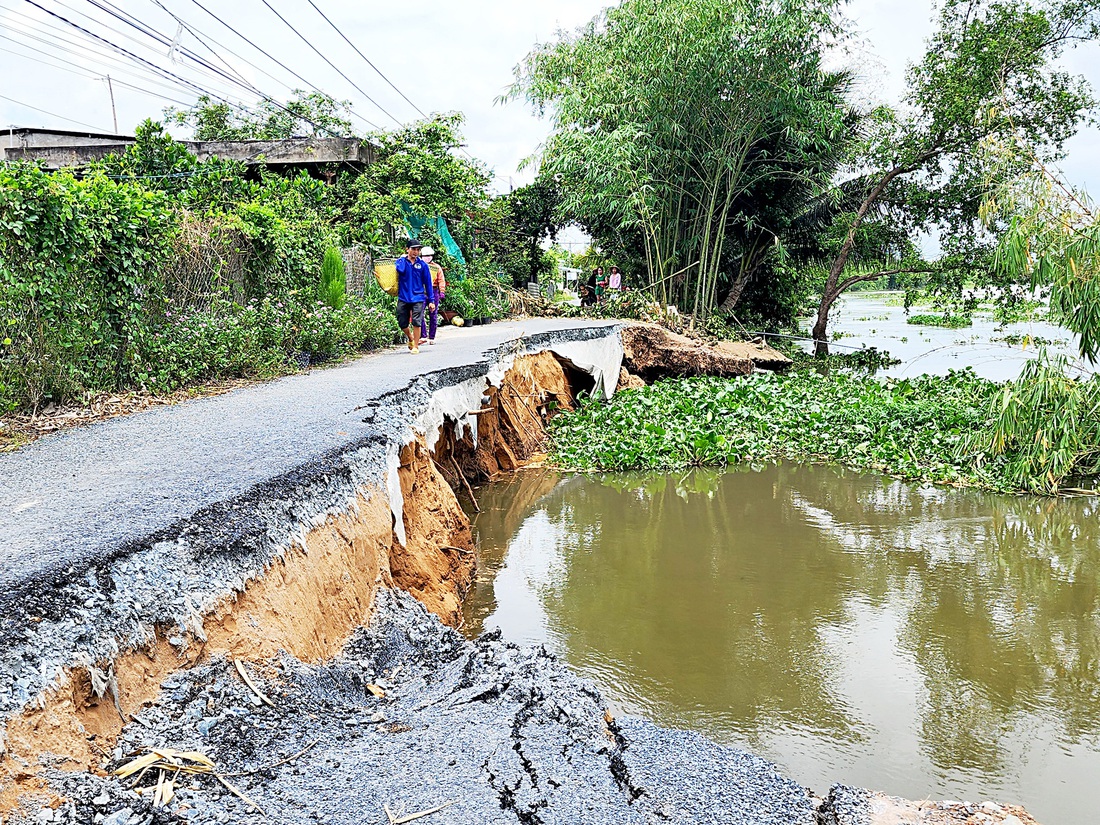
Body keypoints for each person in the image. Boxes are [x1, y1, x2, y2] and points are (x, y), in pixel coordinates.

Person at [394, 239, 435, 354]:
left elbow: (428, 283)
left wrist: (431, 300)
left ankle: (416, 346)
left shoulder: (422, 265)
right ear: (407, 249)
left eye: (418, 250)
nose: (416, 252)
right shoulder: (401, 262)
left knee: (417, 321)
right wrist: (404, 259)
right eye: (413, 249)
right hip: (403, 297)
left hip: (418, 297)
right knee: (402, 322)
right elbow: (400, 269)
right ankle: (411, 337)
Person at [419, 246, 447, 345]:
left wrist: (442, 291)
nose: (427, 257)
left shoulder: (436, 267)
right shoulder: (418, 265)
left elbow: (441, 280)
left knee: (433, 315)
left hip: (434, 290)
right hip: (421, 291)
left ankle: (432, 337)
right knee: (419, 313)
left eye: (429, 255)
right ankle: (423, 335)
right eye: (425, 255)